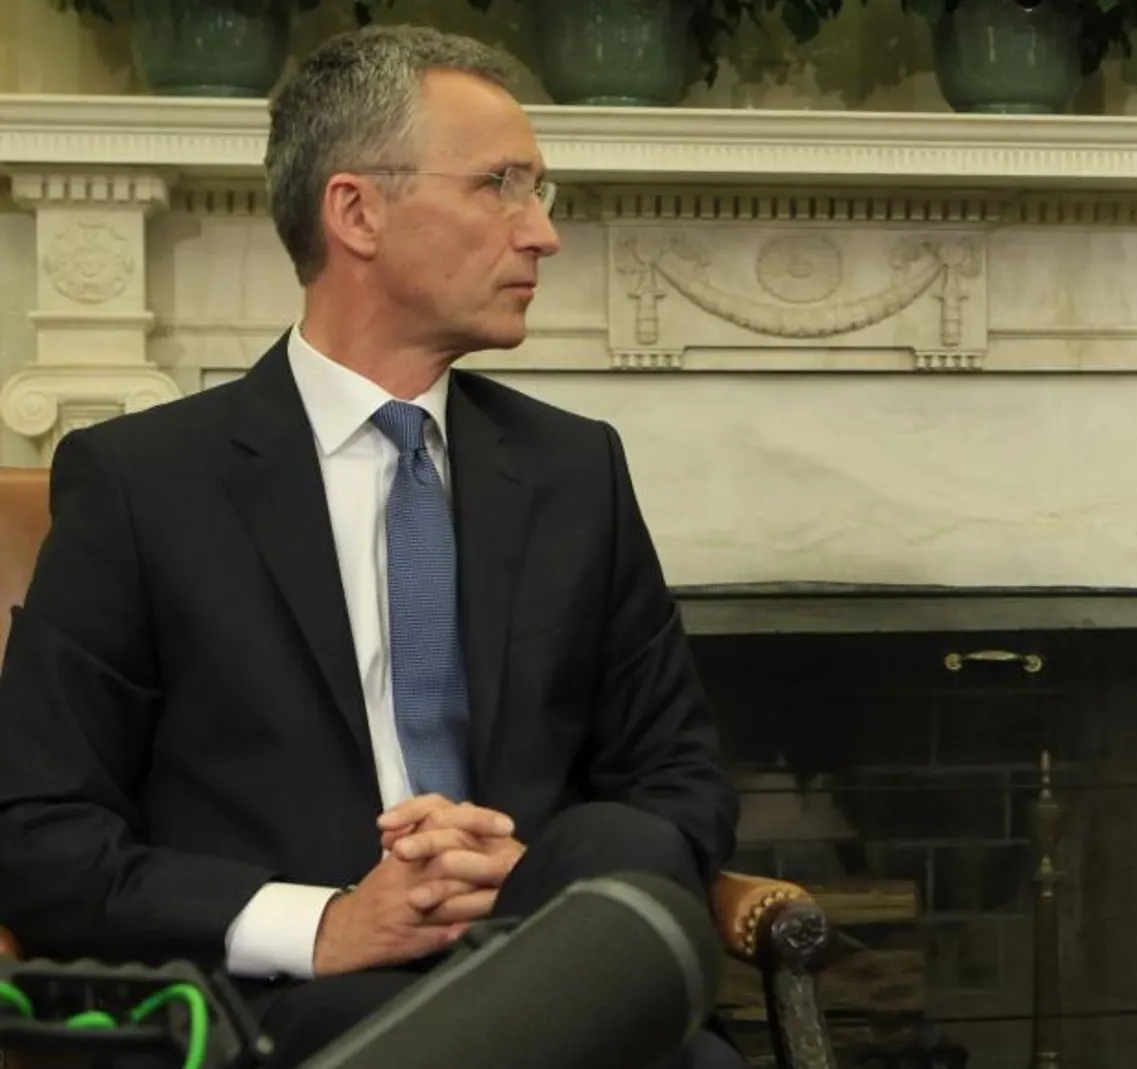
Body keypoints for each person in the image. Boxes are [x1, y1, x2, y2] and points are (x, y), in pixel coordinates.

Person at [0, 25, 743, 1069]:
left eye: (541, 192)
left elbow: (682, 783)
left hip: (547, 957)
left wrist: (526, 876)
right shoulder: (141, 486)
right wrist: (327, 922)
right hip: (292, 1003)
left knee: (617, 855)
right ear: (355, 210)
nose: (542, 234)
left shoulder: (576, 473)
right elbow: (39, 835)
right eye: (500, 185)